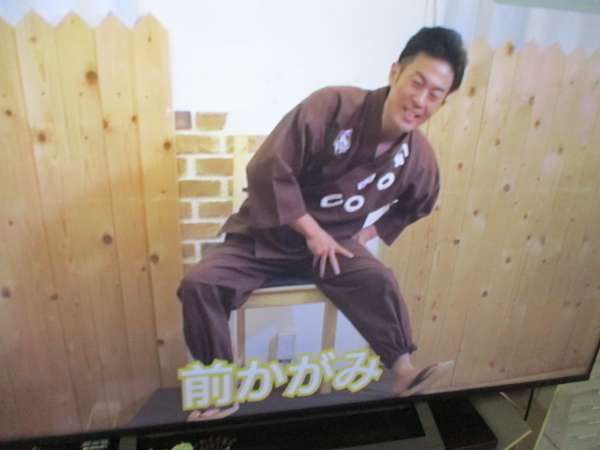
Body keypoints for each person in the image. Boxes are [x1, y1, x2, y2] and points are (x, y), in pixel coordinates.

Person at [178, 26, 467, 421]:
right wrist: (312, 232)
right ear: (395, 72)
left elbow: (421, 202)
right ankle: (219, 391)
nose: (421, 100)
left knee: (379, 279)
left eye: (435, 94)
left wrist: (371, 232)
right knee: (200, 285)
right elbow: (267, 168)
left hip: (334, 248)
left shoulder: (418, 157)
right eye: (417, 82)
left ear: (443, 102)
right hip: (265, 237)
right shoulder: (332, 106)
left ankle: (403, 370)